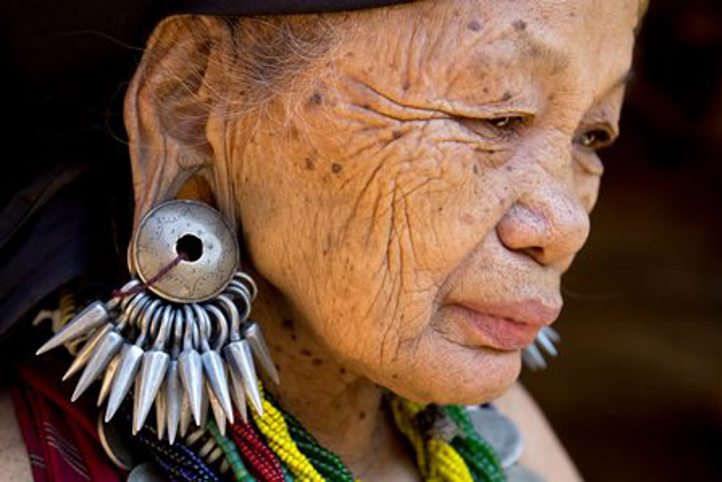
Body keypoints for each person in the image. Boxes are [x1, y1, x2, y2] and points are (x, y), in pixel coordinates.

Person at [1, 0, 646, 480]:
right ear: (190, 110)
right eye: (496, 115)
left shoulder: (500, 434)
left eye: (594, 135)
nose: (567, 224)